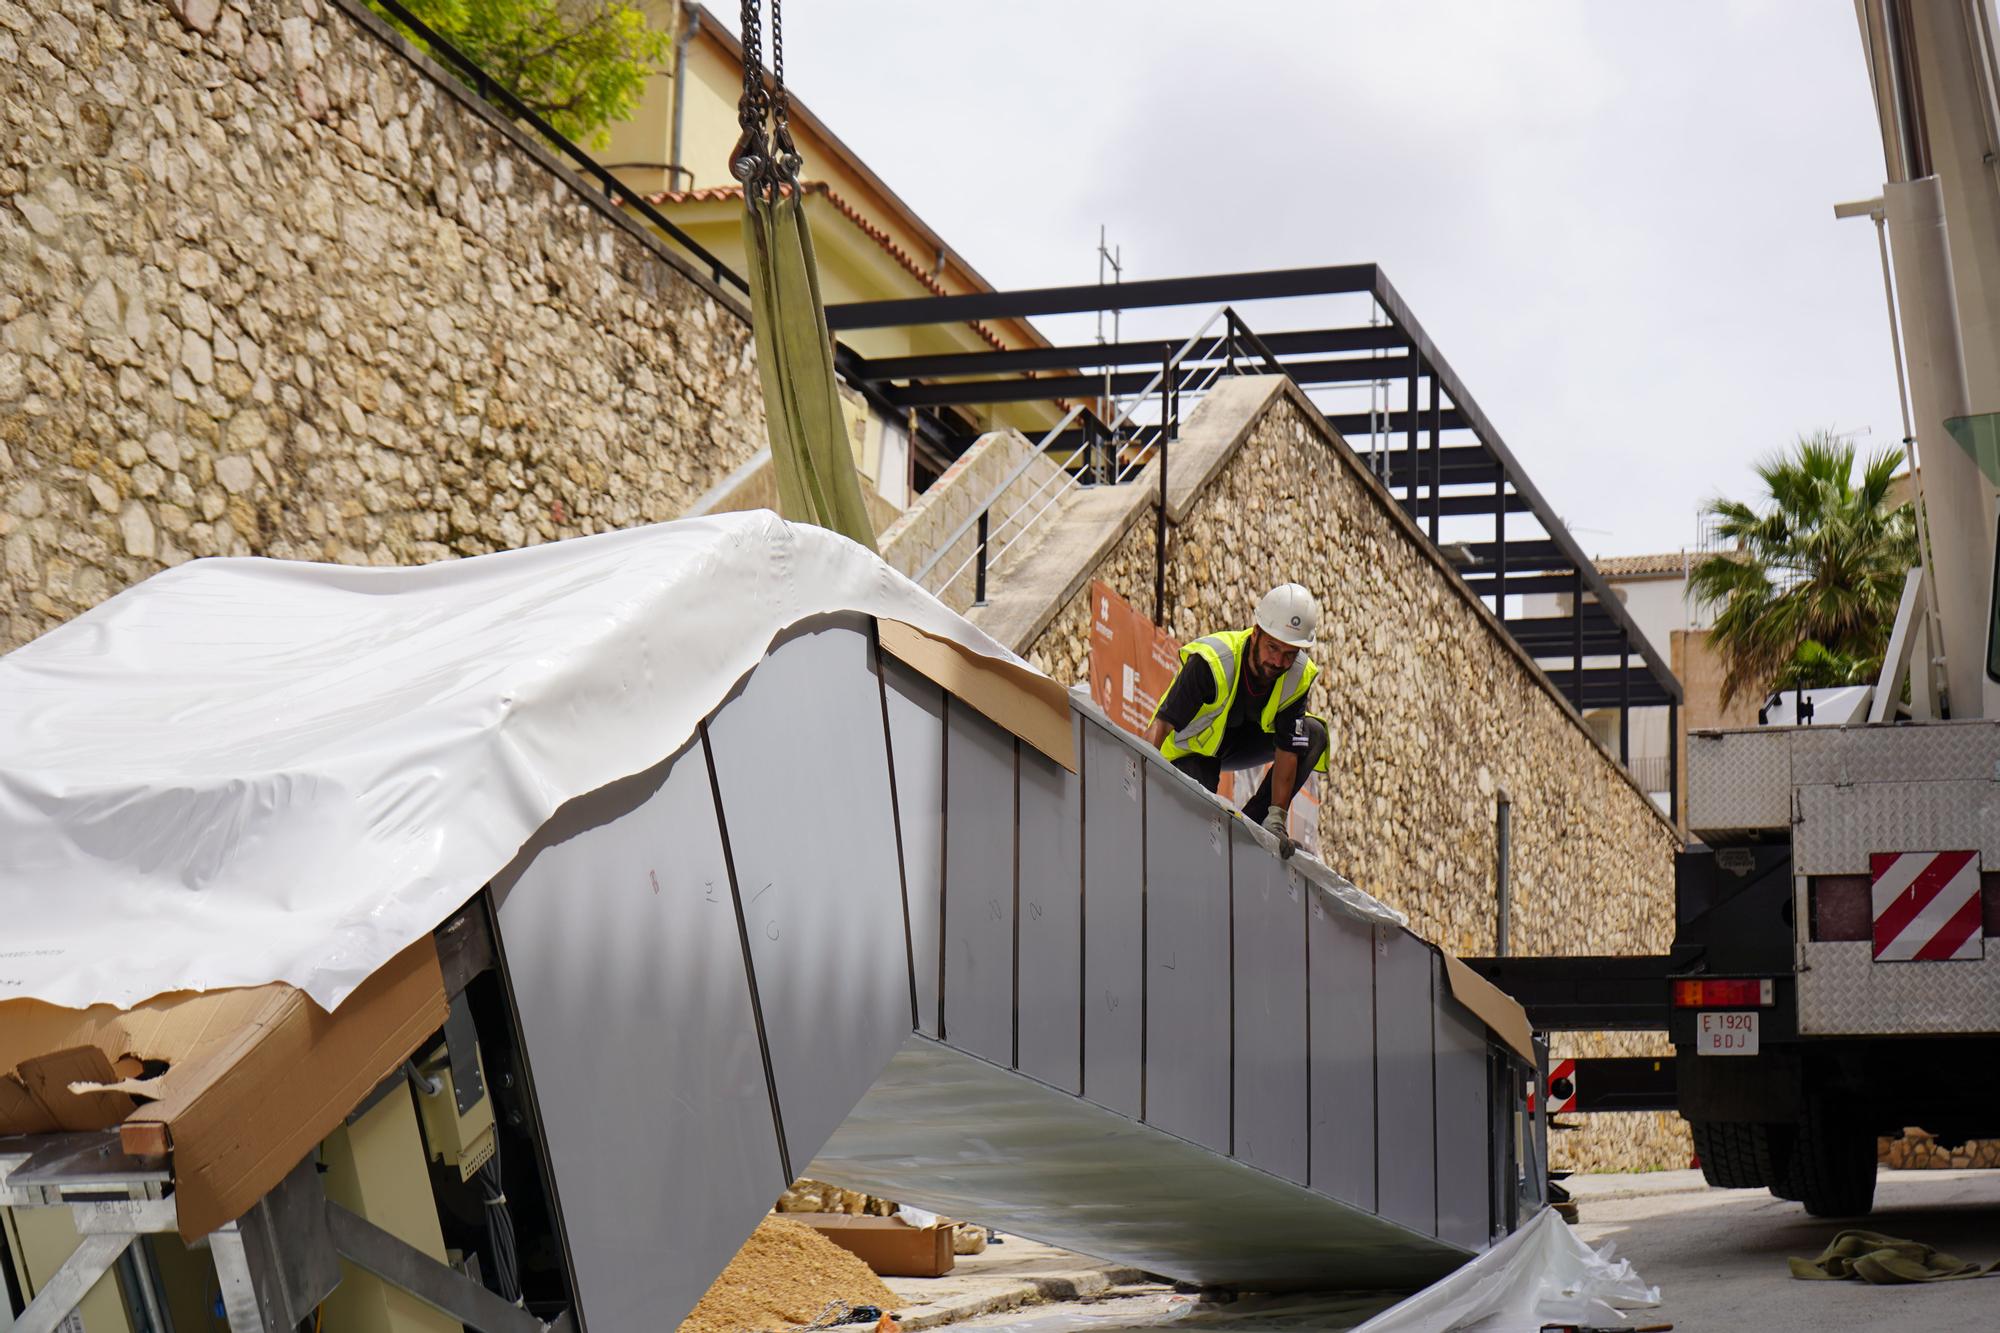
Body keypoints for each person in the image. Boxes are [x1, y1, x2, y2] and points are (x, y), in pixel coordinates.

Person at [1146, 584, 1329, 854]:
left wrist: (1277, 820)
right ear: (1256, 633)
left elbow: (1289, 749)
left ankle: (1256, 824)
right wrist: (1141, 770)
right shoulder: (1213, 660)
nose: (1278, 662)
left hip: (1241, 745)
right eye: (1273, 648)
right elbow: (1161, 725)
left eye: (1289, 654)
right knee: (1200, 793)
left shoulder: (1297, 675)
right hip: (1193, 751)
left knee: (1312, 735)